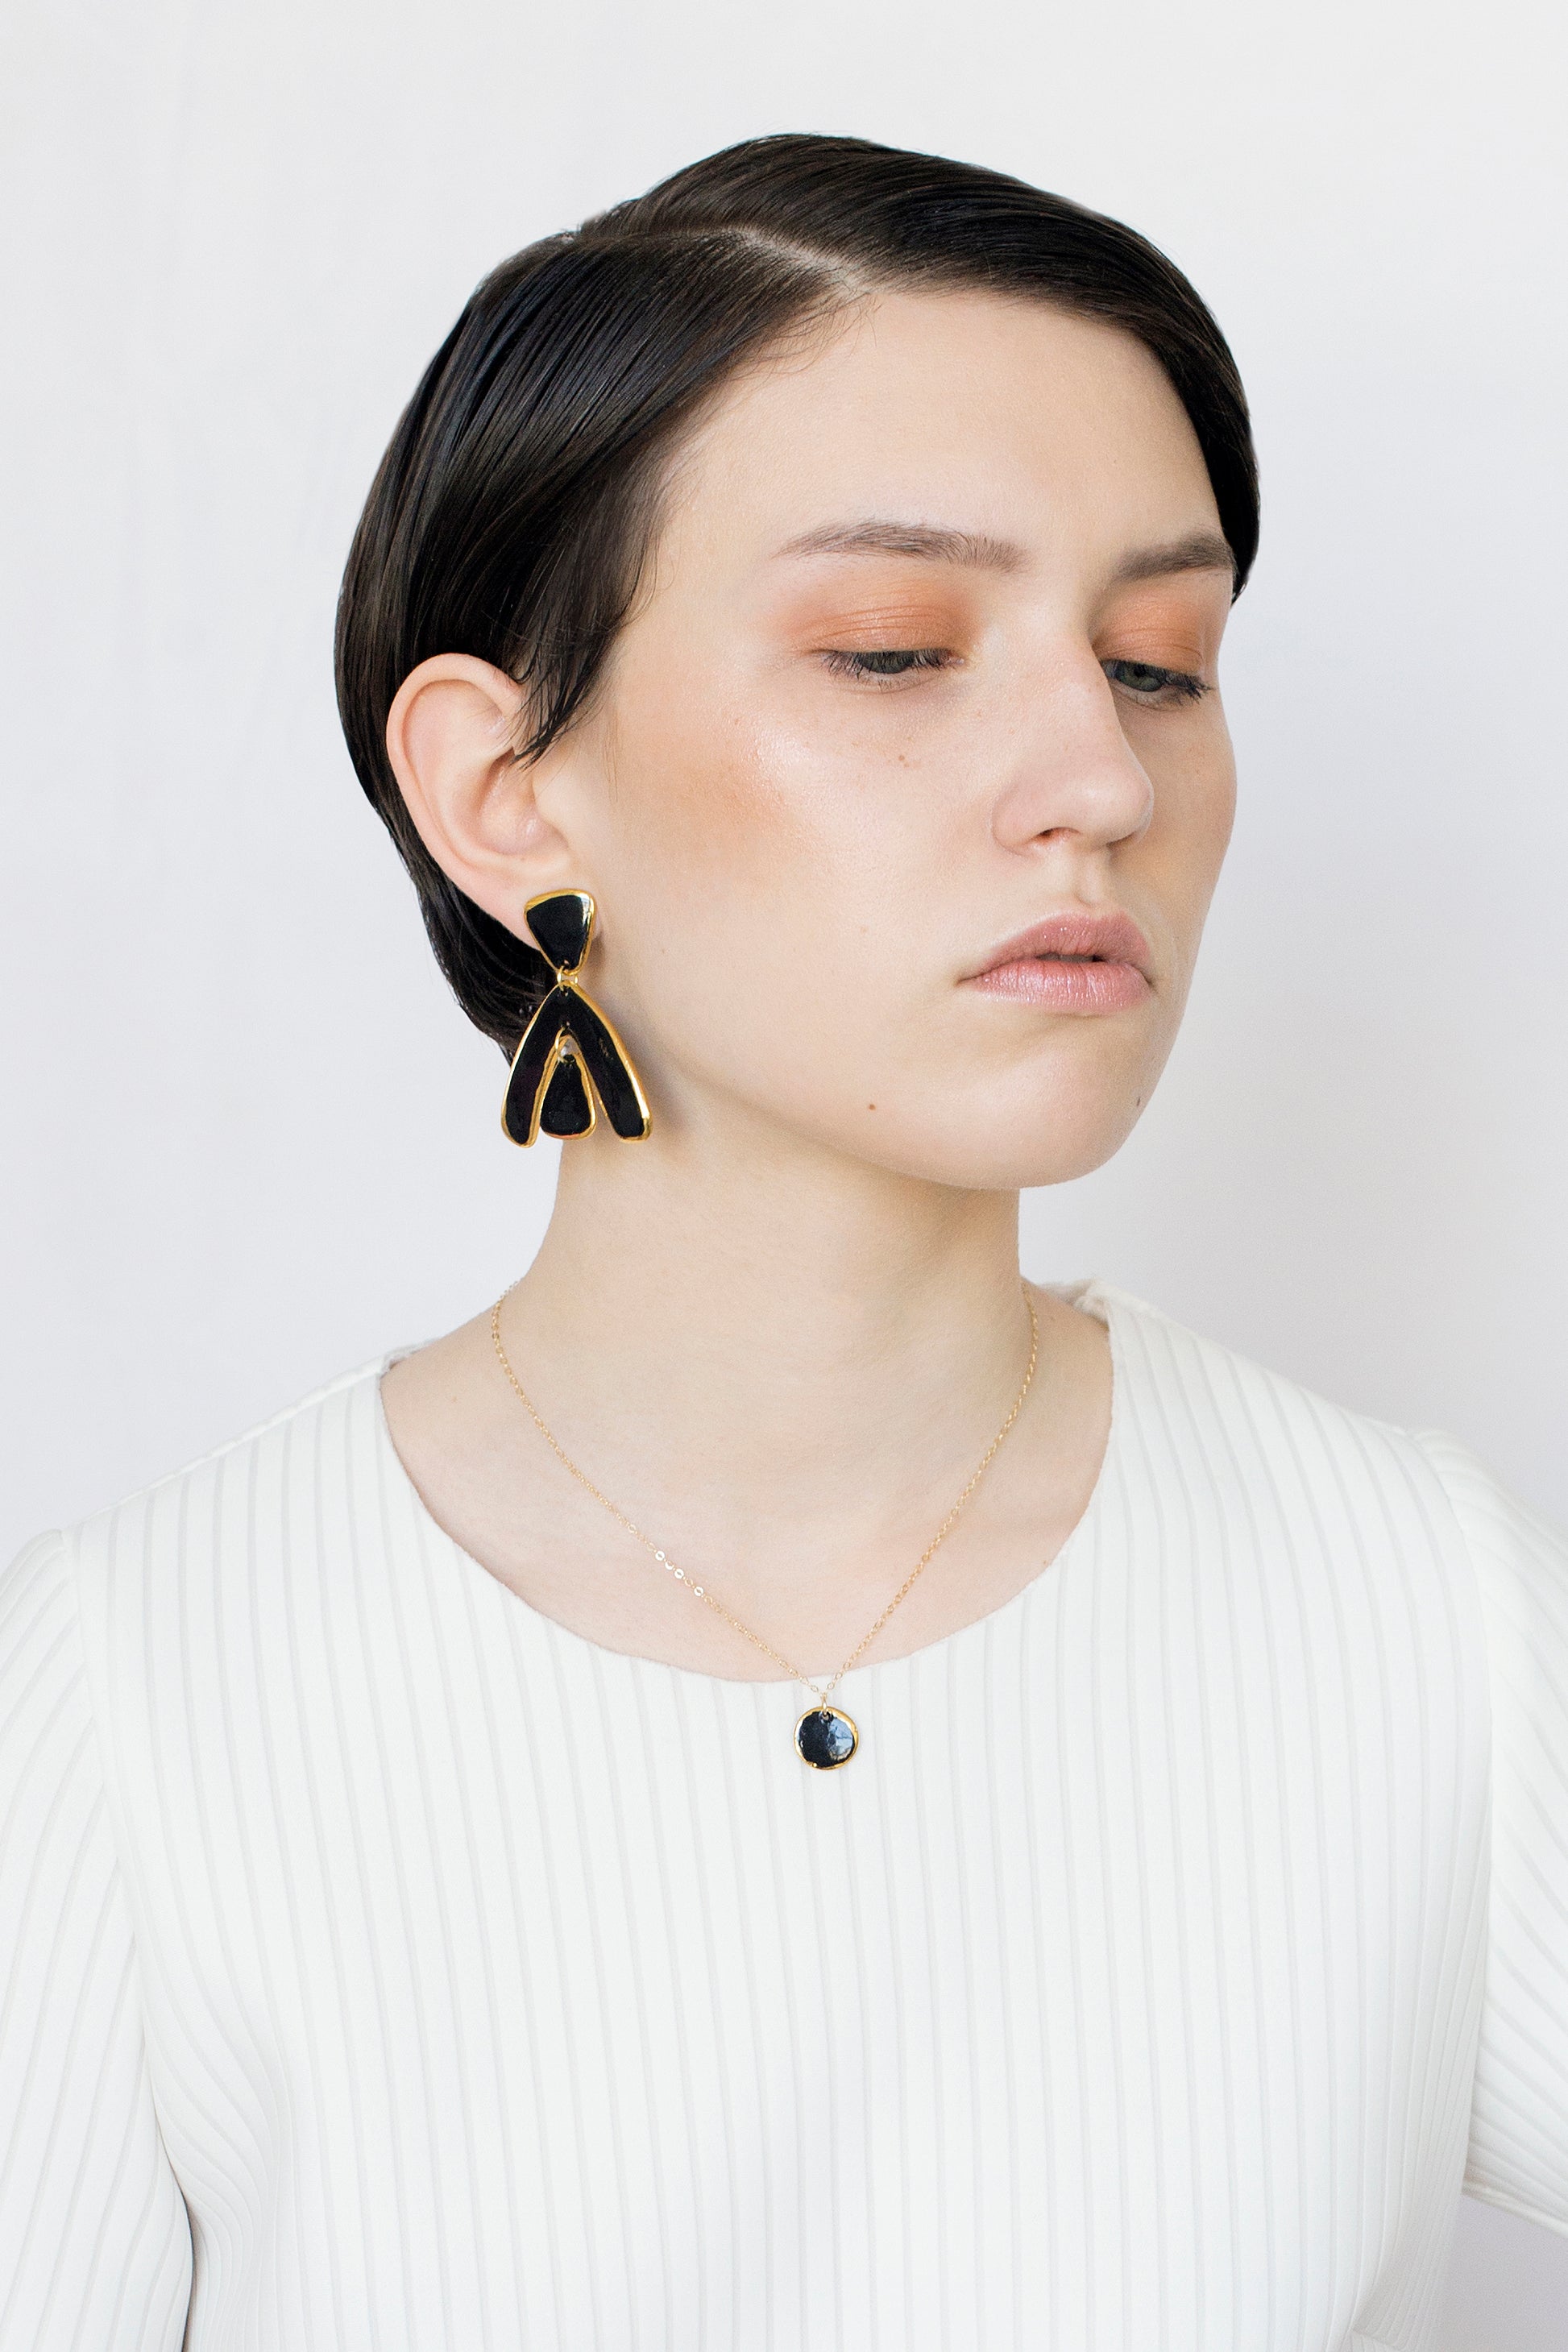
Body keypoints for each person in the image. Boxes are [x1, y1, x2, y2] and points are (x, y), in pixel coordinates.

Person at [2, 131, 1564, 2352]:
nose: (1096, 785)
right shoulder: (126, 1711)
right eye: (892, 649)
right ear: (502, 792)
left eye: (1154, 663)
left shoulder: (1425, 1624)